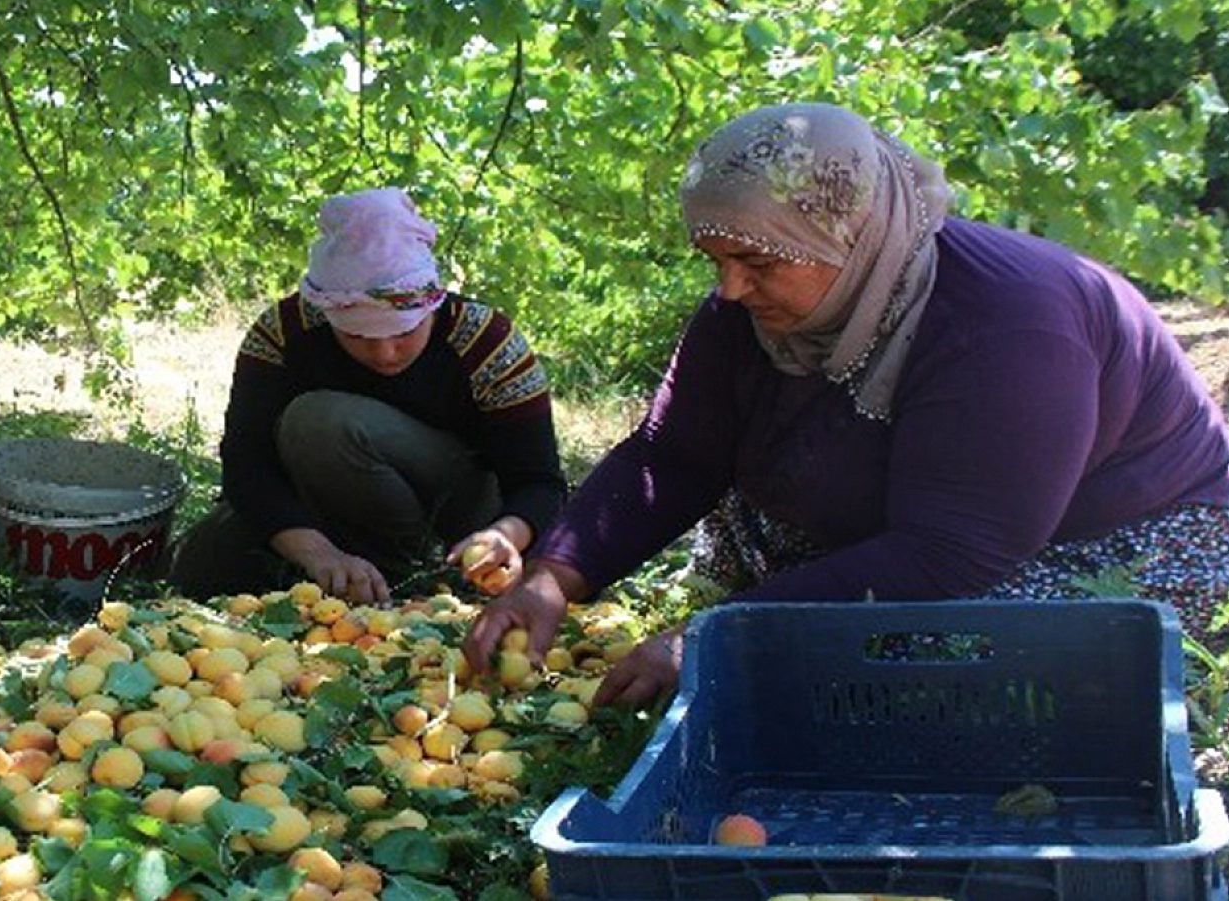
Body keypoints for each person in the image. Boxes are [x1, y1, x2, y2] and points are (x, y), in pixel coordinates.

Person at [463, 102, 1229, 707]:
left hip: (1110, 537)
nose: (729, 288)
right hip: (928, 517)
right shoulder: (745, 311)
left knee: (958, 669)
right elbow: (673, 454)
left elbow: (953, 552)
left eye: (757, 261)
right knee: (804, 598)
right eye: (716, 260)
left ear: (851, 237)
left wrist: (715, 635)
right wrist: (554, 574)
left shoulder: (1009, 325)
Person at [164, 188, 566, 604]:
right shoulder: (285, 334)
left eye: (406, 332)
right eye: (358, 336)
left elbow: (540, 482)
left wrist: (505, 535)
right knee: (202, 562)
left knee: (320, 423)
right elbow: (246, 463)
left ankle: (415, 572)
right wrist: (317, 553)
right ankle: (346, 566)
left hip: (456, 509)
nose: (385, 353)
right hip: (326, 500)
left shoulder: (486, 341)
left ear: (431, 306)